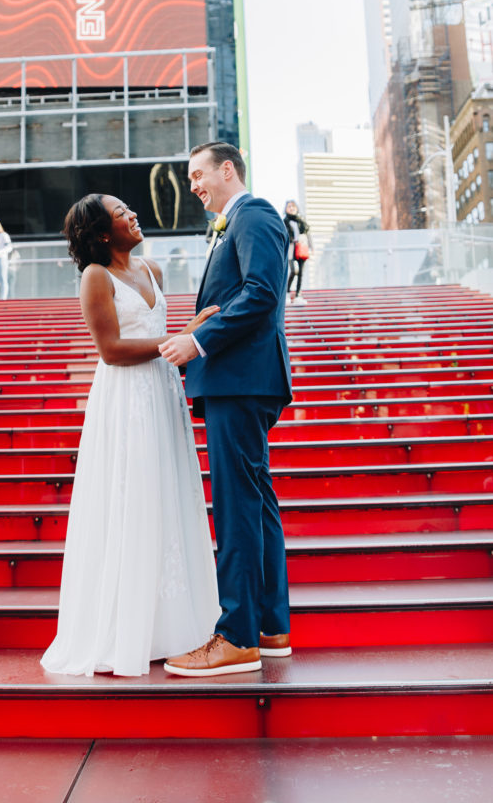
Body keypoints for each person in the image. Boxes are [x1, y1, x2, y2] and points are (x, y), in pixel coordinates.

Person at [41, 194, 220, 677]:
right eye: (122, 213)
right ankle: (126, 630)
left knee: (168, 499)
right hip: (125, 402)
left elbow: (161, 336)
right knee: (133, 500)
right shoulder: (95, 277)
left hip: (163, 396)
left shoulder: (153, 270)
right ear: (102, 232)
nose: (133, 215)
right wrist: (182, 336)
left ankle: (175, 626)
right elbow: (112, 350)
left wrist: (182, 336)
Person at [159, 141, 292, 677]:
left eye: (198, 174)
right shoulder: (234, 224)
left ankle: (236, 636)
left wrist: (200, 341)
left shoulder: (253, 215)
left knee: (238, 504)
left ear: (227, 170)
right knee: (255, 500)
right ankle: (269, 625)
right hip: (242, 378)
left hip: (239, 378)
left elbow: (262, 293)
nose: (193, 186)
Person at [283, 199, 312, 306]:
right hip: (291, 248)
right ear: (286, 209)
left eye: (293, 206)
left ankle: (298, 295)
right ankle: (286, 293)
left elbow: (308, 234)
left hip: (302, 247)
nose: (291, 208)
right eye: (289, 206)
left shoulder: (301, 221)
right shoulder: (284, 222)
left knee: (301, 273)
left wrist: (311, 247)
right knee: (294, 270)